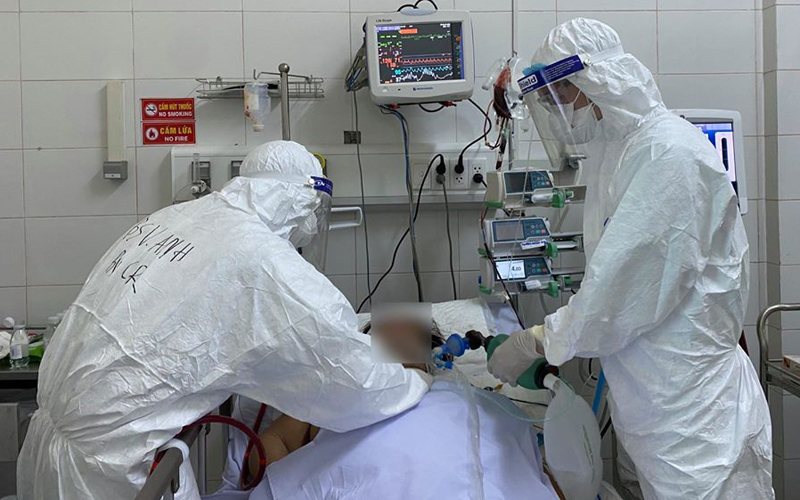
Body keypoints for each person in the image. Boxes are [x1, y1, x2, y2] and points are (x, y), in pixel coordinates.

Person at [16, 140, 431, 500]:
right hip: (110, 468)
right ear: (302, 198)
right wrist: (417, 378)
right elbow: (351, 378)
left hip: (51, 439)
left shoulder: (172, 219)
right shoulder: (261, 260)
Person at [487, 18, 774, 500]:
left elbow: (619, 294)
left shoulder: (669, 154)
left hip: (698, 420)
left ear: (597, 81)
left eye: (561, 93)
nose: (557, 110)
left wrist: (536, 341)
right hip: (655, 404)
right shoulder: (617, 152)